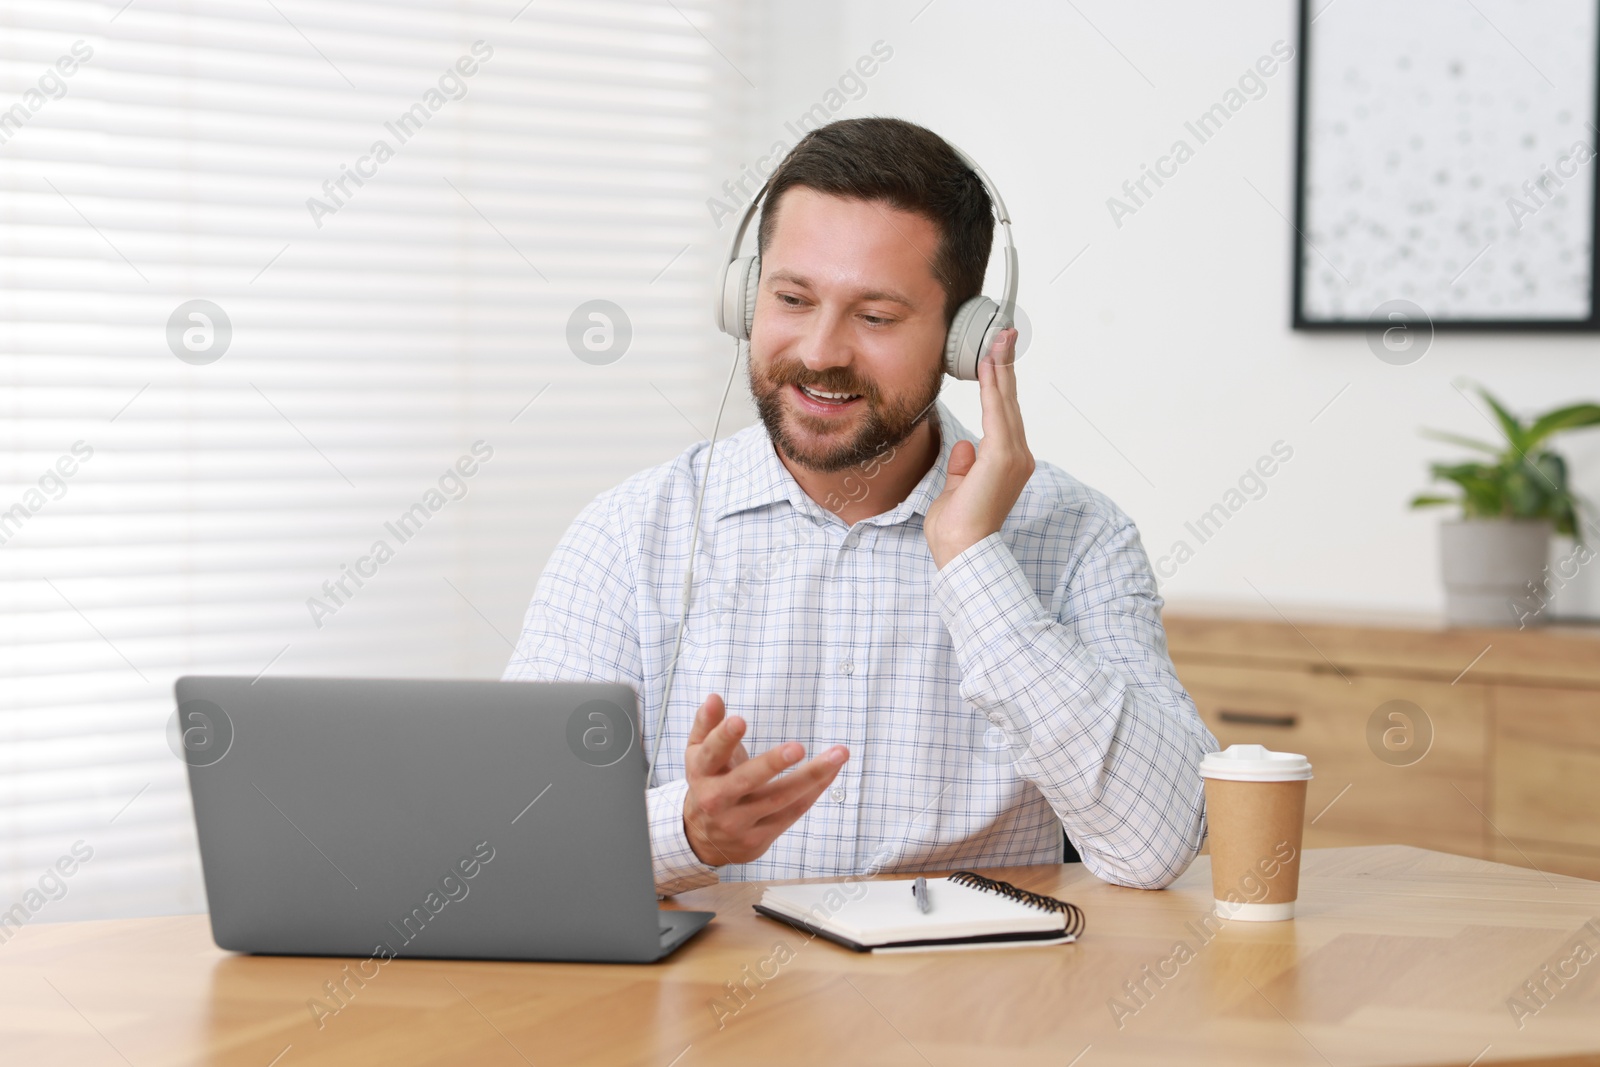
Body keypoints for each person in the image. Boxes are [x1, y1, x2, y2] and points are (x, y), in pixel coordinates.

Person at [504, 117, 1217, 896]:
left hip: (976, 1007)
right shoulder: (629, 535)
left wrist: (975, 562)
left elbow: (1158, 843)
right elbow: (515, 847)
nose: (820, 351)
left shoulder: (1079, 535)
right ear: (744, 300)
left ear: (965, 340)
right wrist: (687, 833)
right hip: (719, 1013)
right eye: (792, 298)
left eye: (875, 317)